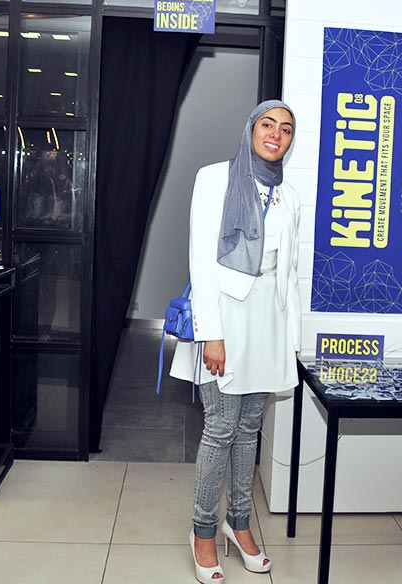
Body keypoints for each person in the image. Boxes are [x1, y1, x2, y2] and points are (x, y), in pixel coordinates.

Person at [170, 100, 301, 583]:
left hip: (268, 320)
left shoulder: (290, 194)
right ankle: (203, 530)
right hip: (224, 314)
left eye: (285, 129)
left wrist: (291, 338)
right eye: (268, 124)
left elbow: (289, 273)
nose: (276, 134)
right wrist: (212, 334)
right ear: (251, 129)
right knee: (221, 428)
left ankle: (239, 523)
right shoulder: (214, 178)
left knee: (249, 429)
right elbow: (201, 260)